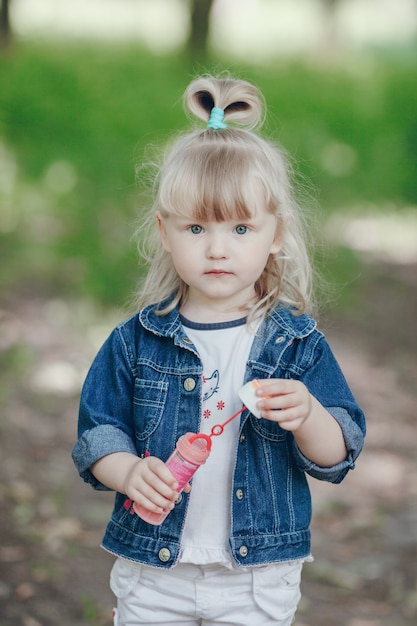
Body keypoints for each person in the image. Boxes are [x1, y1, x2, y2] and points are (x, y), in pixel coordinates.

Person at [72, 74, 366, 626]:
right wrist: (128, 472)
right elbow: (97, 434)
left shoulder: (295, 344)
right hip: (156, 571)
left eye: (240, 227)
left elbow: (338, 454)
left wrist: (308, 414)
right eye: (196, 228)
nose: (217, 248)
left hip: (256, 579)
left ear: (275, 233)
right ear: (164, 231)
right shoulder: (135, 342)